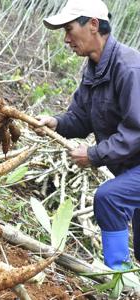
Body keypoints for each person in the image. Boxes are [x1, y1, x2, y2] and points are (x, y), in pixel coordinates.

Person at [40, 0, 140, 270]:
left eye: (70, 29)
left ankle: (117, 276)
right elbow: (81, 119)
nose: (66, 39)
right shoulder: (93, 71)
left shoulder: (129, 68)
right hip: (131, 169)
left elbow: (136, 130)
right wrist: (56, 123)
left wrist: (94, 155)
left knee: (109, 197)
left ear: (93, 25)